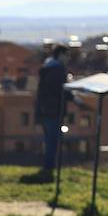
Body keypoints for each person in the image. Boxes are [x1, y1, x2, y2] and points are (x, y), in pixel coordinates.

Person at [35, 45, 71, 174]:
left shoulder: (47, 68)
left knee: (49, 139)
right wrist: (72, 97)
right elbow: (60, 90)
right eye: (67, 55)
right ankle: (49, 166)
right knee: (53, 140)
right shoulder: (58, 70)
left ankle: (48, 165)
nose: (68, 58)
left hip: (45, 110)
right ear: (60, 54)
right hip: (54, 110)